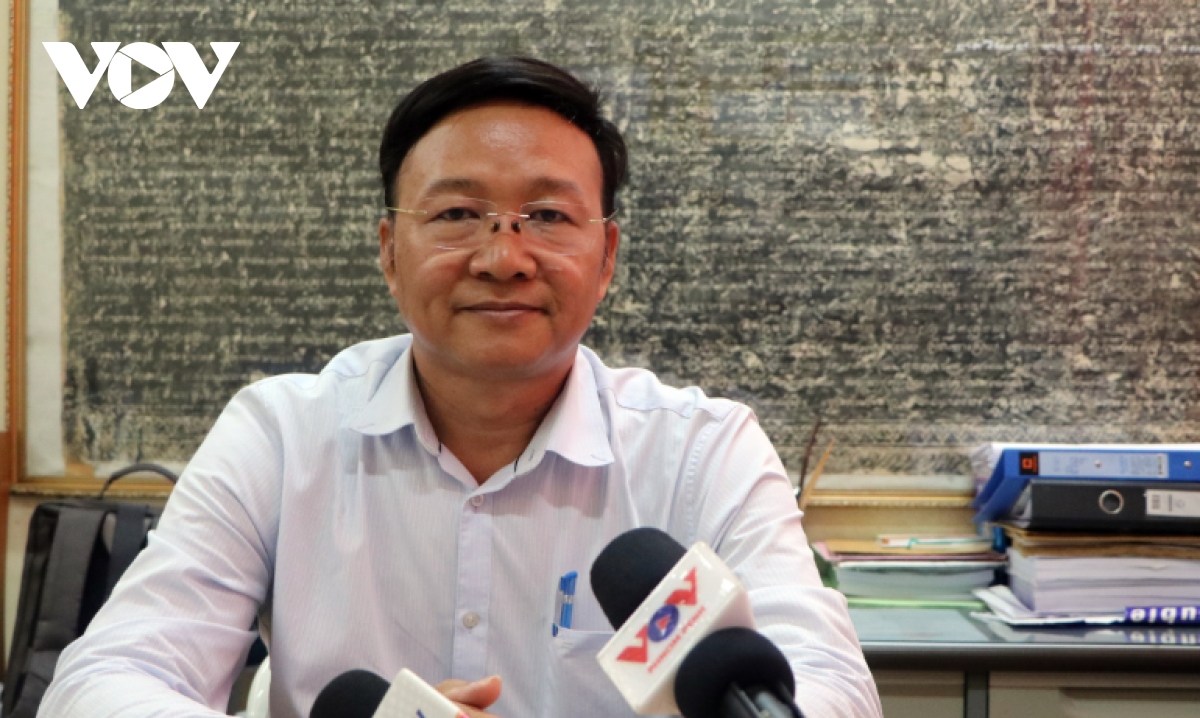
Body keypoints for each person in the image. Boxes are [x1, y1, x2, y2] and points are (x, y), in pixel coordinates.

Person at [41, 57, 882, 718]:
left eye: (547, 217)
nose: (503, 258)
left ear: (607, 258)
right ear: (388, 251)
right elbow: (102, 682)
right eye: (456, 216)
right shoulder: (282, 435)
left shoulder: (703, 452)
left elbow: (830, 685)